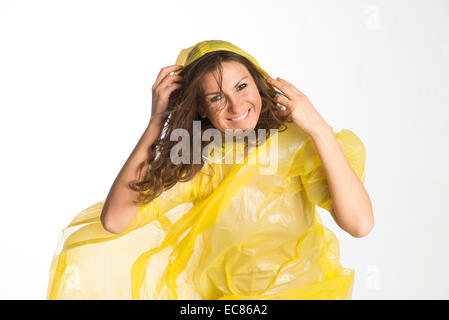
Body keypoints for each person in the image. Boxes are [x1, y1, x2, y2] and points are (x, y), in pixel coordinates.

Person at [46, 40, 373, 300]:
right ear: (200, 108)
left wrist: (317, 127)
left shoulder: (297, 143)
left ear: (259, 83)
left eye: (242, 87)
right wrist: (156, 122)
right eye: (217, 97)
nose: (236, 106)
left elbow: (359, 224)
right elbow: (115, 220)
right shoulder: (199, 161)